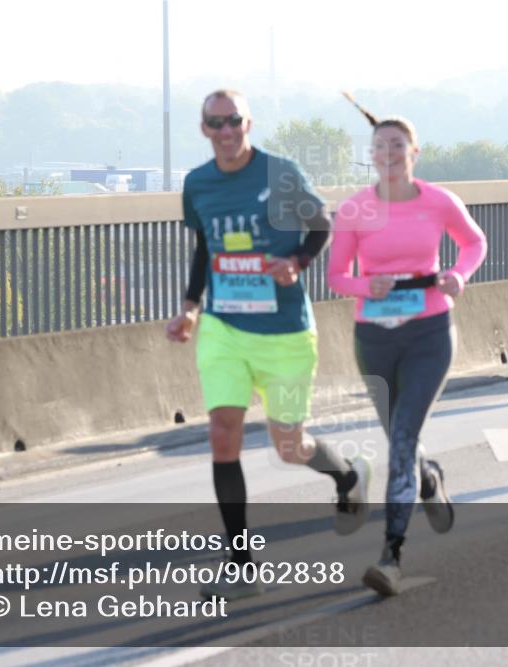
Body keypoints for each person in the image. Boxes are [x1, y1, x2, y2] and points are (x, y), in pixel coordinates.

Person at [166, 90, 371, 600]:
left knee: (288, 446)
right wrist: (191, 306)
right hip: (224, 328)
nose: (226, 130)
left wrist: (297, 262)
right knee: (223, 432)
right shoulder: (197, 184)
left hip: (284, 333)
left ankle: (346, 476)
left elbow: (321, 224)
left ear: (248, 122)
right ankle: (240, 566)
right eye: (216, 123)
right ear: (204, 129)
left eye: (233, 120)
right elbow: (204, 248)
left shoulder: (280, 173)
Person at [328, 93, 487, 596]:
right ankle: (429, 478)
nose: (389, 153)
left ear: (414, 152)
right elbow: (336, 276)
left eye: (399, 145)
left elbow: (475, 242)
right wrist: (362, 286)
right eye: (381, 146)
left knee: (399, 440)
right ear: (371, 154)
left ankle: (391, 556)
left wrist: (458, 275)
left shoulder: (438, 200)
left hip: (428, 330)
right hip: (373, 335)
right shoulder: (355, 209)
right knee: (402, 436)